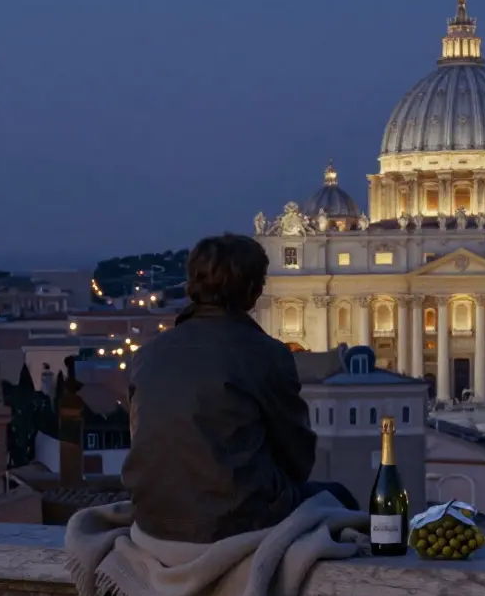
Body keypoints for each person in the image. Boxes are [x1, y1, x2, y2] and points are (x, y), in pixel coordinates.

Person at [121, 233, 358, 544]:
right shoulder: (266, 354)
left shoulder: (147, 354)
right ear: (253, 290)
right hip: (234, 518)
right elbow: (297, 457)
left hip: (152, 518)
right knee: (340, 499)